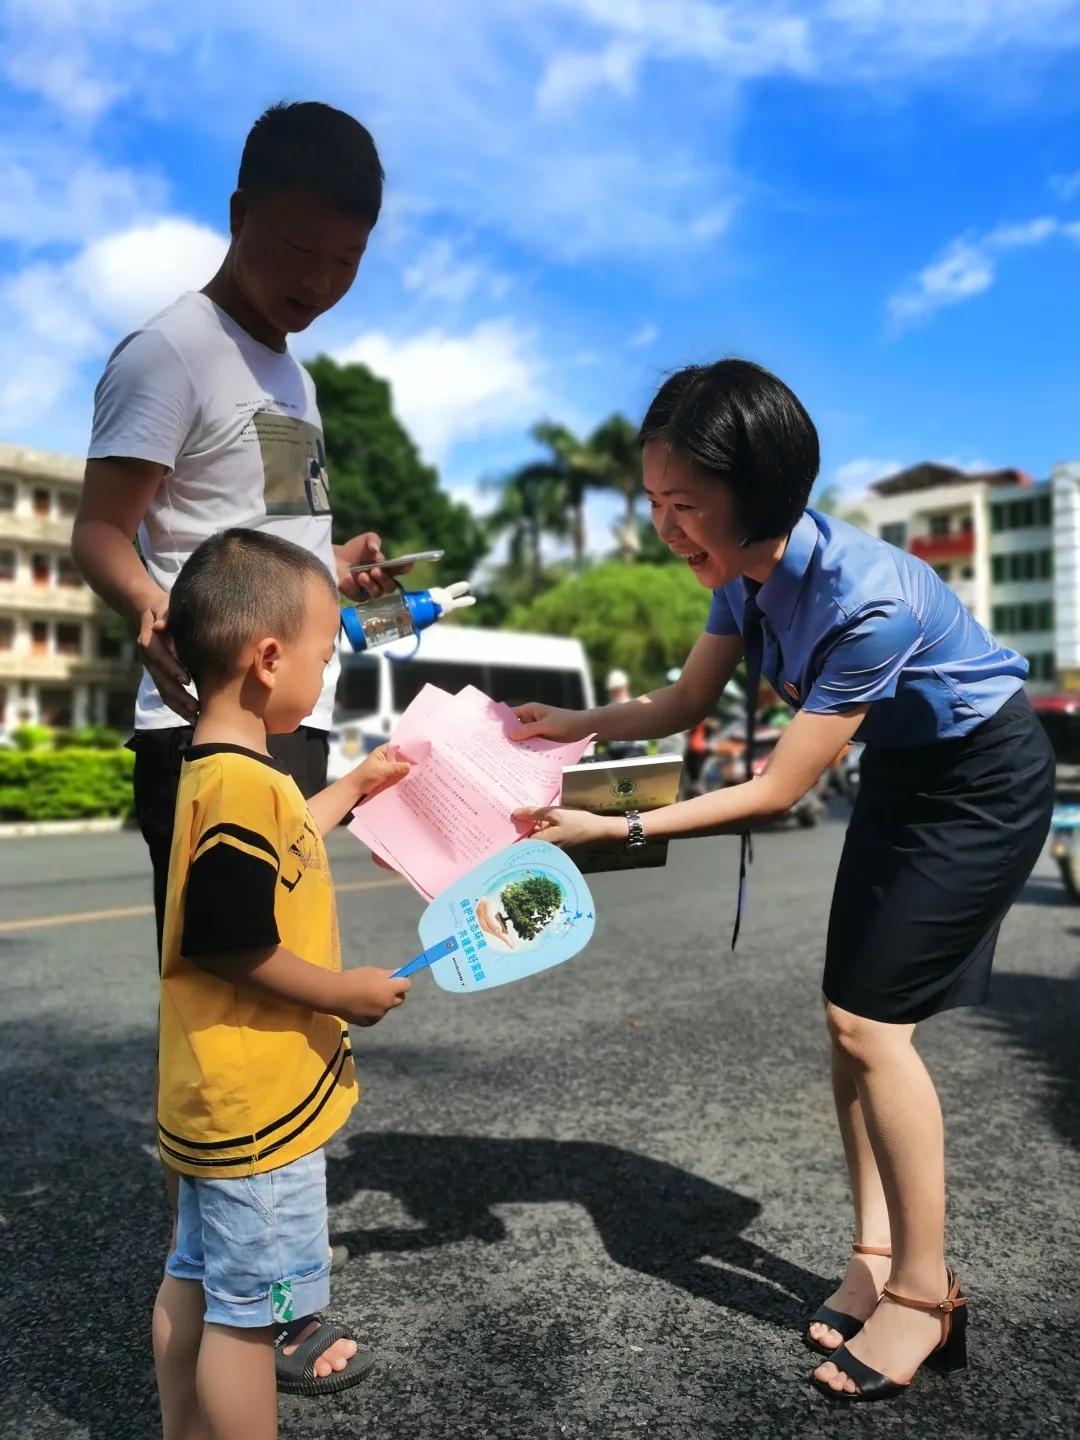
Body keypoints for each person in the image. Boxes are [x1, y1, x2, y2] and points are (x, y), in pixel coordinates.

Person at [511, 360, 1054, 1404]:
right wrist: (577, 725)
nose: (666, 529)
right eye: (656, 503)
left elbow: (775, 792)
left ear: (757, 498)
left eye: (687, 507)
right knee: (843, 1014)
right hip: (905, 774)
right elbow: (681, 701)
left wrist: (613, 827)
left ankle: (929, 1294)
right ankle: (875, 1256)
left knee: (870, 1028)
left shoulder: (870, 603)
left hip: (983, 781)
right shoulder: (737, 573)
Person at [72, 100, 400, 1378]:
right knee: (233, 984)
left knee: (283, 973)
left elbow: (266, 529)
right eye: (298, 253)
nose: (318, 286)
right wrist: (159, 611)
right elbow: (103, 532)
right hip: (203, 721)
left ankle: (257, 1279)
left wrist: (337, 567)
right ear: (236, 215)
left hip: (285, 705)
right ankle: (227, 1293)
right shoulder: (170, 353)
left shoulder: (291, 372)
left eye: (346, 265)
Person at [152, 529, 412, 1437]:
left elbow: (289, 833)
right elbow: (230, 942)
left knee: (196, 1275)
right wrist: (344, 993)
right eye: (324, 653)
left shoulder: (224, 769)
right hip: (261, 1111)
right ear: (269, 660)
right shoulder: (239, 788)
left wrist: (361, 782)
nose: (326, 672)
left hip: (218, 1097)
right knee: (249, 1320)